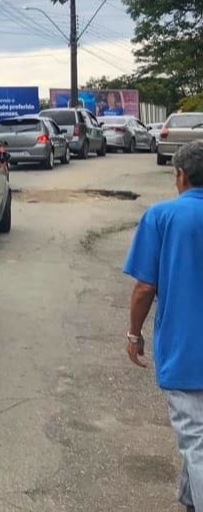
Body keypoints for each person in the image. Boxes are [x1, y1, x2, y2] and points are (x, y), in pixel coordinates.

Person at [124, 140, 203, 512]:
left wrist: (133, 333)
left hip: (185, 352)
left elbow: (144, 288)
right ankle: (188, 501)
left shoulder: (162, 216)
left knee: (197, 441)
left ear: (181, 175)